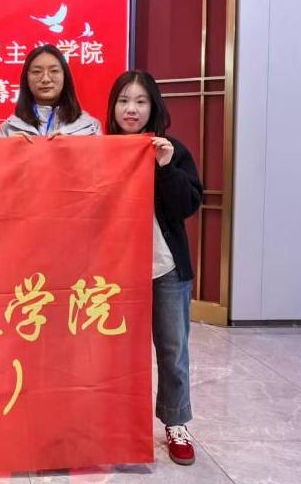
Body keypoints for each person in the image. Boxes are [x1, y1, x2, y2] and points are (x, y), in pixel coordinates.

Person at [106, 70, 203, 466]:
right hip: (115, 272)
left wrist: (164, 167)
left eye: (140, 101)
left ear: (154, 107)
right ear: (113, 107)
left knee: (172, 349)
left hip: (165, 269)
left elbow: (187, 206)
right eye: (124, 100)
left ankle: (176, 422)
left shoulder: (172, 150)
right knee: (113, 352)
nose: (131, 109)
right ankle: (115, 424)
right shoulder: (102, 150)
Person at [0, 44, 101, 140]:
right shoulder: (8, 129)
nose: (45, 79)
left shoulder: (90, 126)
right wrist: (10, 148)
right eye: (37, 72)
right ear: (26, 78)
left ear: (64, 76)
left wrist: (72, 148)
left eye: (54, 71)